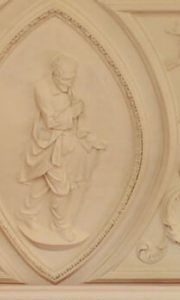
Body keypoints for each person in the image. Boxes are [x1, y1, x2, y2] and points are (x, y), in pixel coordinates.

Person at [18, 54, 106, 245]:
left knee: (43, 184)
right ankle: (61, 226)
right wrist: (73, 111)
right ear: (55, 74)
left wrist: (89, 138)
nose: (69, 83)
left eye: (72, 78)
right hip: (48, 145)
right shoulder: (42, 88)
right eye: (65, 79)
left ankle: (27, 214)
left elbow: (77, 119)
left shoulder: (67, 88)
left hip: (65, 145)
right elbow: (52, 121)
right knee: (61, 189)